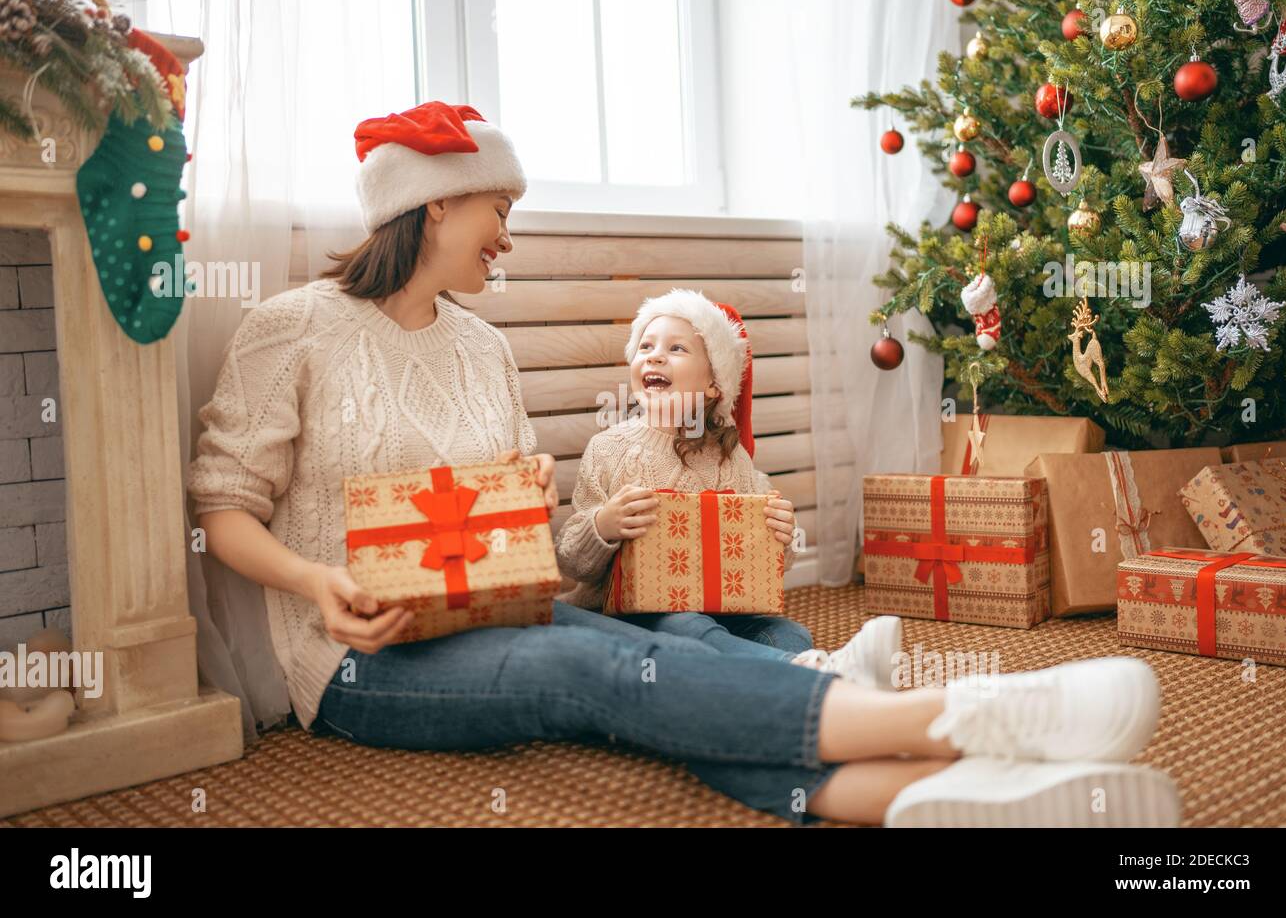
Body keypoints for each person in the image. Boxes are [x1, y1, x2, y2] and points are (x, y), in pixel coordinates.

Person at [187, 100, 1180, 827]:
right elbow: (225, 507)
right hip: (362, 664)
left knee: (678, 665)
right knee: (598, 663)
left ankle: (936, 795)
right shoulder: (293, 330)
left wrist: (525, 495)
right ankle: (959, 715)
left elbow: (510, 530)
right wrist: (317, 581)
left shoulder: (480, 347)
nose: (508, 235)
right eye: (498, 205)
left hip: (489, 612)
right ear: (435, 206)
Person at [554, 287, 903, 689]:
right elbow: (571, 562)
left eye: (677, 349)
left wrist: (779, 535)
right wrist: (603, 525)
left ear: (713, 386)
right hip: (630, 615)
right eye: (645, 346)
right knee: (687, 625)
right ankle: (815, 675)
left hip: (724, 609)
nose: (655, 355)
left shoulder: (730, 458)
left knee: (789, 631)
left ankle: (784, 664)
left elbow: (766, 562)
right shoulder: (609, 449)